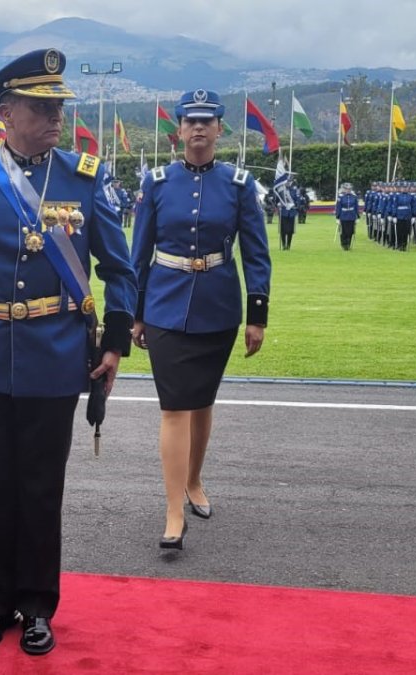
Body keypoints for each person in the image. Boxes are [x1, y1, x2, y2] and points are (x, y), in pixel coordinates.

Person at [0, 48, 136, 656]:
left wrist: (115, 342)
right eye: (41, 107)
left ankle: (38, 607)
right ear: (6, 112)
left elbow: (119, 269)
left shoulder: (83, 176)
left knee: (41, 488)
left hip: (54, 351)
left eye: (58, 107)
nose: (55, 118)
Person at [130, 88, 271, 551]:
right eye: (190, 121)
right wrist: (135, 313)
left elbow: (256, 253)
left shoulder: (238, 184)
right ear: (179, 129)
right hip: (164, 306)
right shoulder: (157, 182)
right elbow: (138, 252)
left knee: (202, 400)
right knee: (174, 406)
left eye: (206, 121)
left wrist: (257, 316)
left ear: (218, 129)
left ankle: (193, 480)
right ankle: (174, 511)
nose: (197, 128)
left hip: (217, 306)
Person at [334, 182, 359, 250]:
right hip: (343, 216)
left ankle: (348, 243)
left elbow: (356, 207)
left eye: (349, 189)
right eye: (347, 189)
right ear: (344, 189)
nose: (348, 190)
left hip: (351, 216)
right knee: (343, 231)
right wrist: (337, 217)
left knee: (350, 231)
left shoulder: (354, 197)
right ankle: (344, 244)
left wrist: (357, 217)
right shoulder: (341, 197)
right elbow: (338, 207)